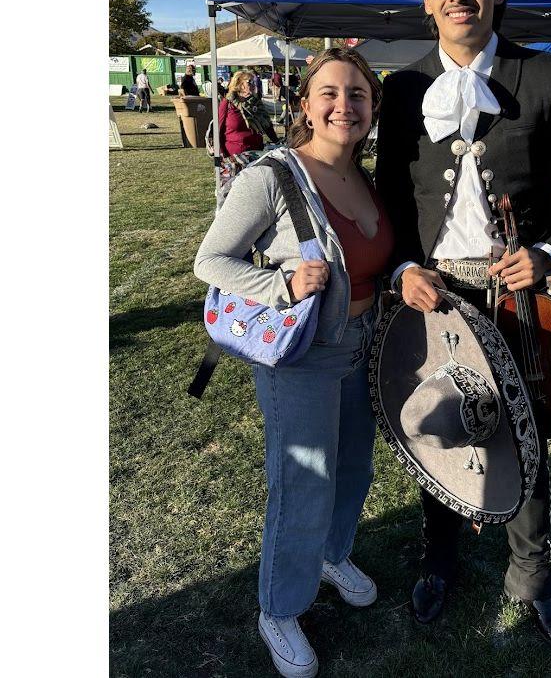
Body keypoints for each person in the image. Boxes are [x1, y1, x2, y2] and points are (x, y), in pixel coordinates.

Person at [376, 0, 551, 653]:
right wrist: (400, 269)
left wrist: (545, 250)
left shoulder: (542, 75)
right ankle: (440, 560)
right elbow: (388, 199)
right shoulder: (402, 87)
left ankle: (532, 581)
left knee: (526, 436)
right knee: (439, 424)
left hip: (516, 298)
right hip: (435, 294)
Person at [194, 47, 393, 678]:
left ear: (372, 107)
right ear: (304, 104)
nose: (344, 105)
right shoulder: (273, 176)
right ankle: (279, 608)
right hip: (302, 355)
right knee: (304, 480)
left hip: (366, 344)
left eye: (357, 94)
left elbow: (378, 253)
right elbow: (212, 260)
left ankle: (332, 555)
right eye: (330, 93)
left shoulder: (366, 174)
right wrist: (280, 283)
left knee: (354, 465)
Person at [217, 70, 280, 157]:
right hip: (235, 154)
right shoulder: (227, 104)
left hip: (257, 152)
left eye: (254, 82)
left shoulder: (256, 103)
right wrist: (220, 155)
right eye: (250, 82)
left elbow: (267, 125)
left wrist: (277, 142)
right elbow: (218, 130)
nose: (254, 85)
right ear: (239, 84)